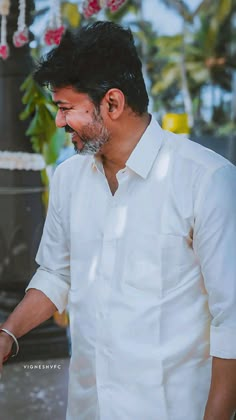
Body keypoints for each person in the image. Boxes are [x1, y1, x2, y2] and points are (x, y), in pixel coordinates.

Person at [0, 21, 236, 420]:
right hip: (87, 407)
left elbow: (231, 321)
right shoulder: (68, 178)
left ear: (112, 103)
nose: (59, 123)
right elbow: (57, 274)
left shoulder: (206, 180)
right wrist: (7, 335)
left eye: (66, 108)